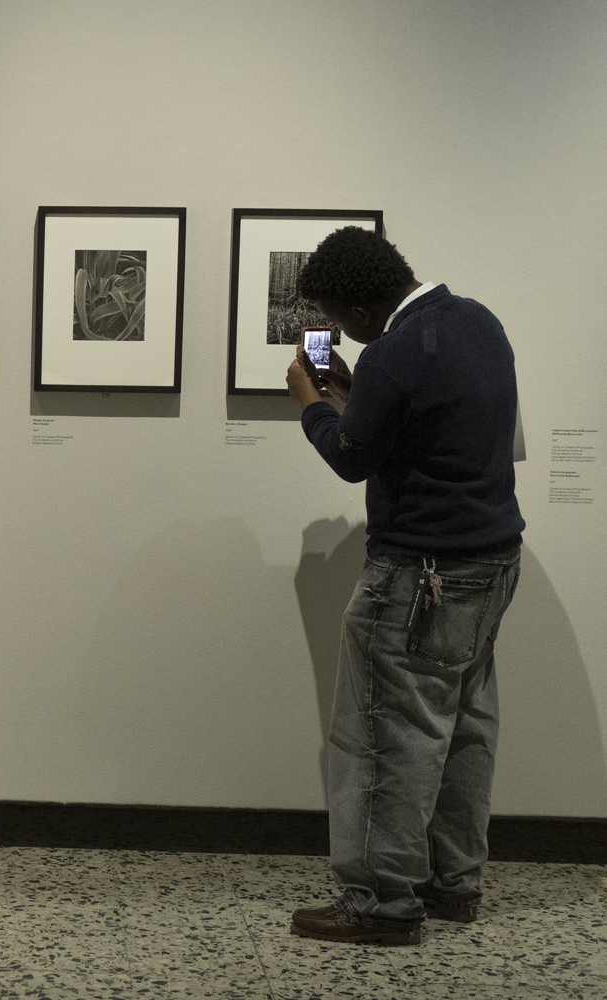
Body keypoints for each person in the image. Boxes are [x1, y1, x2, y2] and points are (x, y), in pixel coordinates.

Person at [283, 227, 524, 946]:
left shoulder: (390, 353)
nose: (340, 329)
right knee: (464, 727)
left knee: (386, 737)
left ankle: (382, 904)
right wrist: (362, 394)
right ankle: (454, 885)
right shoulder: (478, 322)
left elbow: (353, 459)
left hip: (420, 575)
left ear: (356, 308)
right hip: (492, 560)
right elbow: (435, 427)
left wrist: (311, 403)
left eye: (335, 312)